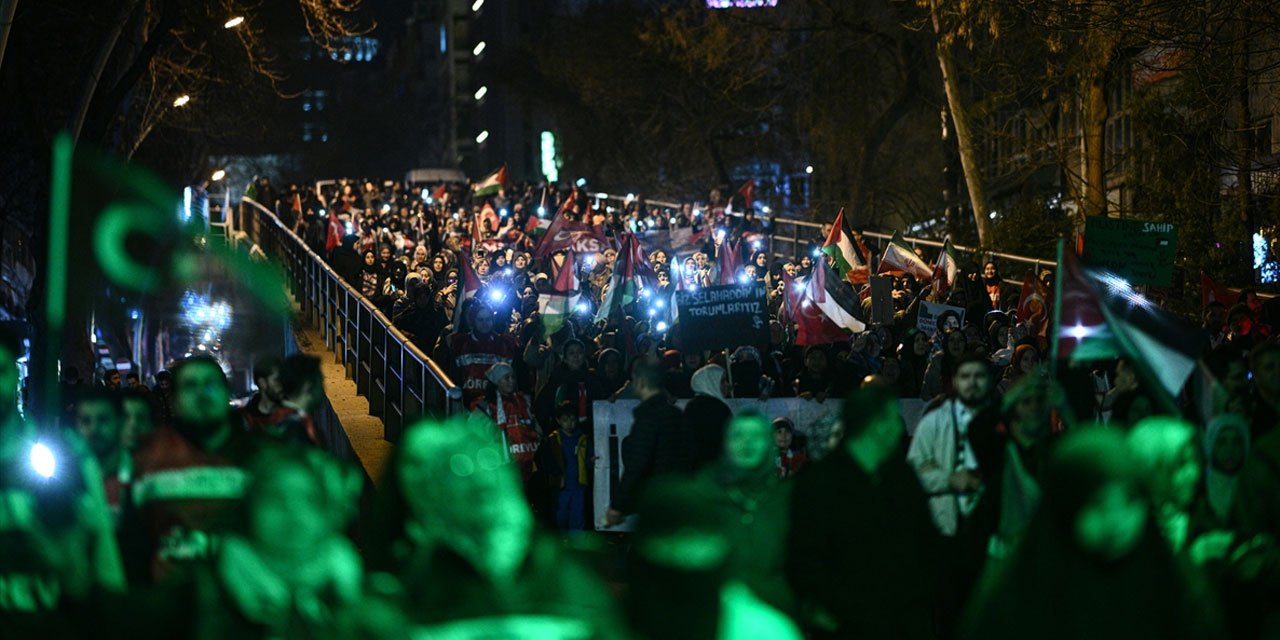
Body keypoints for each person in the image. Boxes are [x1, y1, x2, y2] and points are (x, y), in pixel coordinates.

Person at [958, 428, 1224, 640]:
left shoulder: (1170, 580)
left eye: (1131, 501)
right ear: (1065, 508)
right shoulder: (1020, 593)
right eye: (1097, 505)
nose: (1117, 521)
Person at [370, 416, 626, 636]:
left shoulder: (565, 573)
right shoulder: (403, 587)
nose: (477, 476)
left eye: (486, 460)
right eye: (457, 467)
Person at [111, 447, 364, 639]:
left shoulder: (351, 588)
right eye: (275, 497)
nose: (292, 511)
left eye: (309, 499)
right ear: (249, 510)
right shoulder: (203, 587)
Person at [787, 386, 942, 638]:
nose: (899, 427)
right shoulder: (819, 481)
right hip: (843, 622)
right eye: (892, 418)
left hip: (901, 619)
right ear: (875, 424)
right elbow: (804, 555)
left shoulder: (902, 477)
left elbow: (924, 542)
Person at [629, 413, 800, 637]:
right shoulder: (699, 495)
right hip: (705, 621)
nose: (747, 442)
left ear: (769, 443)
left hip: (775, 618)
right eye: (738, 435)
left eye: (756, 435)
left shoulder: (790, 498)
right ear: (725, 442)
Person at [121, 356, 263, 585]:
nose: (202, 394)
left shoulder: (260, 459)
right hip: (168, 602)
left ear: (225, 393)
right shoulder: (147, 460)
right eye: (190, 386)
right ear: (175, 400)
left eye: (211, 385)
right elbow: (130, 544)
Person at [908, 353, 993, 538]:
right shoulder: (934, 422)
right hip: (945, 527)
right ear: (954, 381)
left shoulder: (1001, 422)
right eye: (965, 376)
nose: (972, 382)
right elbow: (912, 472)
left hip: (990, 530)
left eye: (978, 376)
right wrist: (948, 479)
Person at [604, 357, 695, 526]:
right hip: (680, 497)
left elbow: (637, 464)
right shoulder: (676, 414)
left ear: (640, 381)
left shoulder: (648, 418)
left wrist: (618, 505)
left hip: (657, 500)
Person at [545, 401, 590, 532]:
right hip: (562, 485)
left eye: (572, 419)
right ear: (558, 421)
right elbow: (548, 461)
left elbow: (587, 457)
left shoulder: (582, 438)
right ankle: (562, 544)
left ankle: (576, 545)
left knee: (578, 516)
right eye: (565, 420)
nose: (569, 423)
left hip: (578, 485)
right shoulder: (553, 439)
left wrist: (591, 461)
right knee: (561, 515)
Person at [684, 364, 732, 469]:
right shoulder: (719, 409)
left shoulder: (691, 406)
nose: (727, 385)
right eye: (722, 381)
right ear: (711, 382)